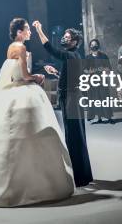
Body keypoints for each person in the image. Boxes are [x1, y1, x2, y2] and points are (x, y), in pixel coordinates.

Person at [0, 18, 74, 206]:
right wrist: (37, 77)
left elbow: (13, 74)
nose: (29, 32)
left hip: (15, 89)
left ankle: (11, 180)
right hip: (23, 89)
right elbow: (23, 75)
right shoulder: (20, 48)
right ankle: (33, 182)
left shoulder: (13, 47)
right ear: (19, 32)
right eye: (27, 29)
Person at [33, 20, 94, 187]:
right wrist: (57, 72)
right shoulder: (75, 56)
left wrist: (39, 29)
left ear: (74, 41)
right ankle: (83, 175)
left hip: (70, 99)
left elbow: (49, 48)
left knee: (73, 136)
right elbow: (71, 78)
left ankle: (80, 177)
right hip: (73, 97)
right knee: (77, 135)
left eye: (67, 38)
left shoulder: (70, 54)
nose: (64, 39)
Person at [87, 39, 111, 124]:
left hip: (102, 80)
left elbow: (109, 68)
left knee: (104, 98)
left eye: (95, 44)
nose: (94, 46)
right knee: (95, 99)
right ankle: (99, 118)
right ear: (90, 47)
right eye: (92, 45)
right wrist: (91, 71)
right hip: (92, 81)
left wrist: (104, 70)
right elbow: (85, 70)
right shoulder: (88, 58)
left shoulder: (104, 56)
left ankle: (108, 117)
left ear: (98, 45)